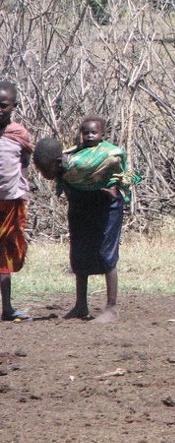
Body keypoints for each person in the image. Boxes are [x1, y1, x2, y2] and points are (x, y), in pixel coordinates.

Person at [33, 118, 142, 323]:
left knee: (106, 254)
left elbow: (133, 175)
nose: (43, 175)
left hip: (107, 207)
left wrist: (115, 186)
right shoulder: (68, 160)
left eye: (44, 170)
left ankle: (111, 308)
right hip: (82, 208)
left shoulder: (92, 160)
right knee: (79, 253)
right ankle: (81, 305)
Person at [0, 81, 33, 323]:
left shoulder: (18, 134)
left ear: (13, 107)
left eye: (3, 106)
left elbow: (25, 163)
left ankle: (7, 308)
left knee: (7, 255)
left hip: (10, 202)